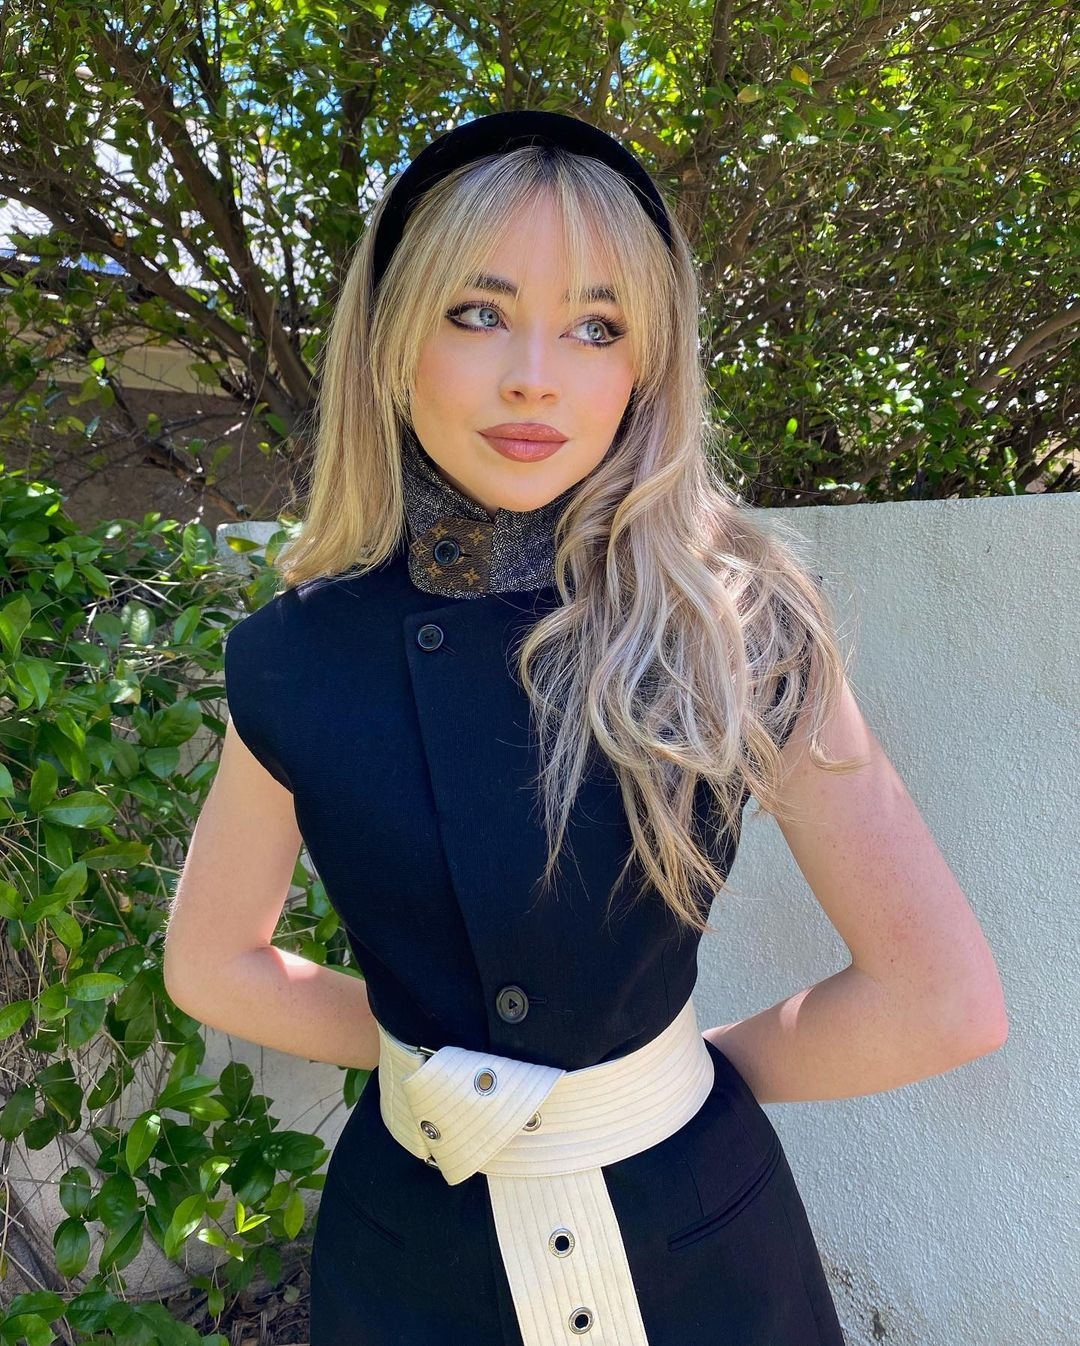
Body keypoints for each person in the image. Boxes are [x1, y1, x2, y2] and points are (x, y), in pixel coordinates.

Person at [165, 110, 1008, 1346]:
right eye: (478, 311)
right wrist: (470, 1084)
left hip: (708, 1266)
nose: (534, 375)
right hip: (406, 1272)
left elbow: (943, 998)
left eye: (597, 326)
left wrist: (639, 1091)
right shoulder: (291, 656)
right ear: (391, 338)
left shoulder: (740, 625)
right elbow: (210, 964)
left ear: (646, 367)